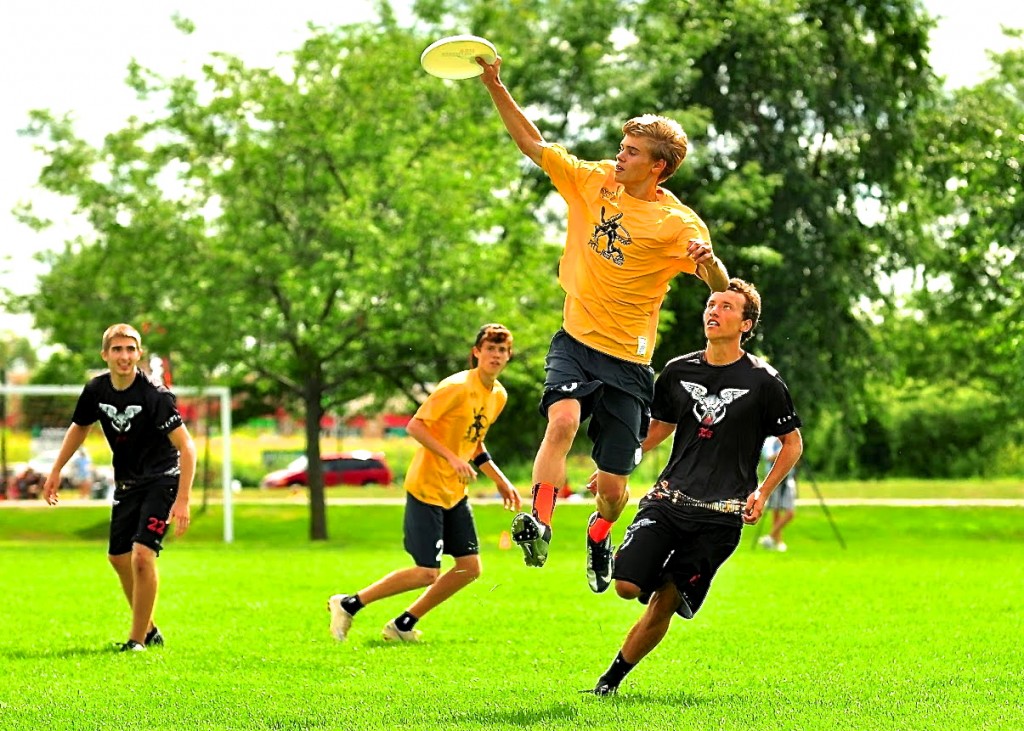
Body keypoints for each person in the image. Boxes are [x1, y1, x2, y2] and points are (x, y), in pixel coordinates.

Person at [477, 56, 730, 590]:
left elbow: (719, 287)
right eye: (623, 145)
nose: (620, 155)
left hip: (630, 363)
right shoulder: (593, 180)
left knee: (614, 491)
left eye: (632, 151)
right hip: (575, 338)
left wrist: (707, 262)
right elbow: (532, 144)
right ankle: (540, 522)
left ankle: (598, 536)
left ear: (657, 166)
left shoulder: (675, 223)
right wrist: (495, 85)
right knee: (562, 420)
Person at [587, 279, 802, 695]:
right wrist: (622, 459)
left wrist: (763, 492)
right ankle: (599, 532)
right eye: (711, 303)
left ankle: (608, 684)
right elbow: (661, 426)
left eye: (725, 306)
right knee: (627, 587)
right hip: (669, 500)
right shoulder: (678, 370)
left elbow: (792, 444)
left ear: (746, 324)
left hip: (720, 518)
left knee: (664, 600)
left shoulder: (764, 381)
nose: (713, 311)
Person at [327, 324, 521, 643]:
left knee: (469, 568)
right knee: (426, 572)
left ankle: (402, 625)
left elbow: (474, 442)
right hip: (426, 488)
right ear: (476, 352)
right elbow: (415, 426)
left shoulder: (498, 395)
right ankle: (348, 604)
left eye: (502, 350)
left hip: (455, 493)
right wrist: (452, 459)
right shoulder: (456, 386)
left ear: (508, 356)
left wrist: (499, 479)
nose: (496, 355)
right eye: (490, 348)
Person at [42, 323, 196, 652]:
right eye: (117, 349)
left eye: (130, 349)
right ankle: (150, 628)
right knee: (118, 558)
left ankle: (136, 641)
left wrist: (182, 500)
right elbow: (79, 427)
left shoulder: (155, 394)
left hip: (163, 479)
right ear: (105, 354)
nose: (124, 356)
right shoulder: (97, 390)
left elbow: (187, 447)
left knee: (142, 556)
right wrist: (56, 470)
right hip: (127, 483)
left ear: (139, 354)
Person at [759, 435, 797, 552]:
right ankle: (778, 541)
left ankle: (770, 537)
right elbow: (769, 458)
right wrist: (784, 451)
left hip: (788, 481)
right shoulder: (770, 442)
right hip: (774, 481)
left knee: (790, 513)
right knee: (776, 512)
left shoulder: (791, 439)